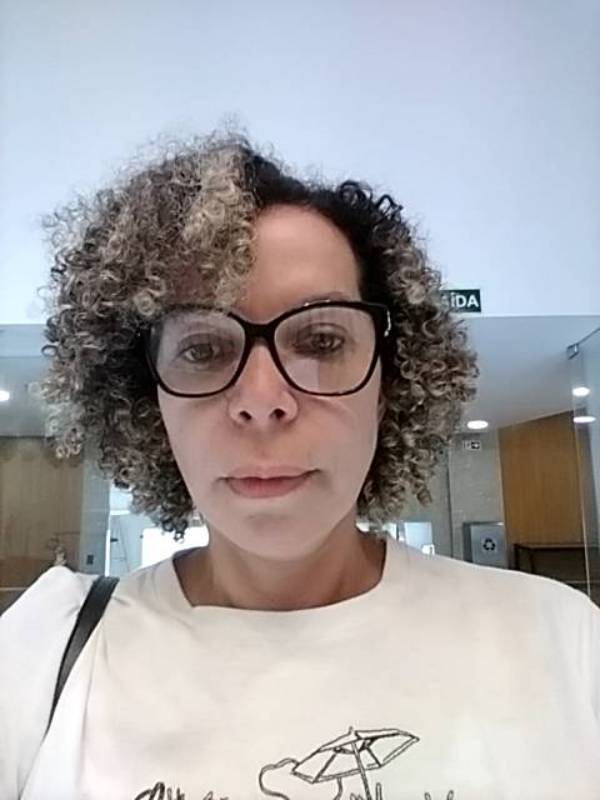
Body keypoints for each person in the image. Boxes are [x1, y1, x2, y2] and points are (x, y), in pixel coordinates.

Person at [0, 131, 598, 800]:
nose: (262, 401)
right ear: (148, 401)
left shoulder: (562, 643)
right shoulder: (45, 652)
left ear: (388, 386)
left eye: (320, 340)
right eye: (203, 349)